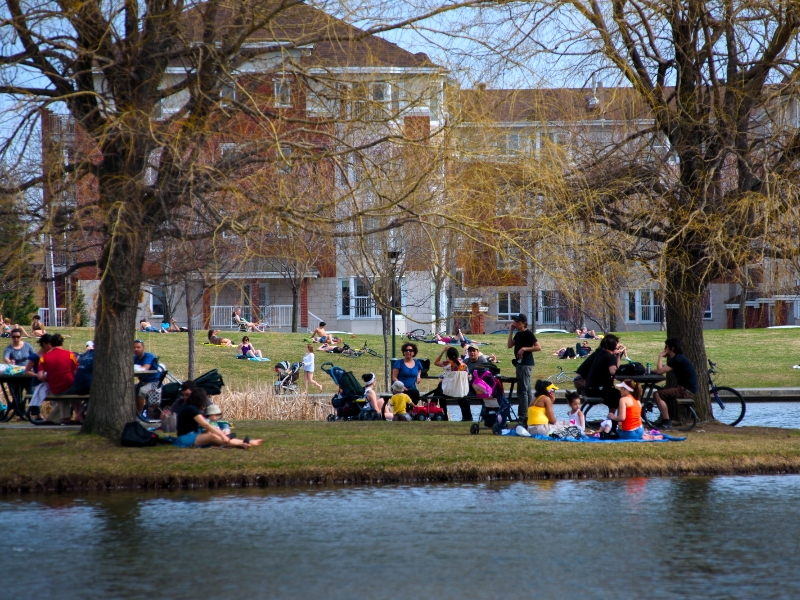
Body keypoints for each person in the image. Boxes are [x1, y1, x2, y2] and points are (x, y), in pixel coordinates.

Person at [174, 387, 261, 449]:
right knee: (212, 436)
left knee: (215, 435)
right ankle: (242, 444)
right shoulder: (191, 409)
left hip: (191, 435)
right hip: (185, 438)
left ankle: (245, 443)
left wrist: (221, 434)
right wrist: (223, 435)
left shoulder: (188, 406)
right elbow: (206, 425)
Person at [652, 337, 699, 431]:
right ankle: (664, 419)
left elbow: (660, 371)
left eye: (666, 347)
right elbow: (661, 370)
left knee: (657, 394)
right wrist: (649, 371)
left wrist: (660, 356)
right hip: (685, 388)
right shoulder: (678, 358)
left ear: (672, 348)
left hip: (686, 390)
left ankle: (666, 422)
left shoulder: (677, 359)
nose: (664, 349)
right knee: (663, 392)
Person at [32, 333, 79, 424]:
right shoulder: (70, 355)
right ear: (62, 343)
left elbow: (40, 376)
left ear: (51, 344)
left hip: (54, 388)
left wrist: (48, 379)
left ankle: (62, 419)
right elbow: (75, 373)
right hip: (69, 385)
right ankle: (79, 415)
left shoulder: (43, 358)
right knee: (77, 391)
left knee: (64, 396)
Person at [584, 334, 623, 433]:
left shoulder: (602, 354)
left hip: (589, 388)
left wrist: (617, 356)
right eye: (617, 343)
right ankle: (612, 419)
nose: (618, 345)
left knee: (614, 393)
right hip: (597, 389)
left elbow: (614, 367)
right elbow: (613, 371)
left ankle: (611, 419)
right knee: (617, 395)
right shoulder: (609, 356)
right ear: (613, 345)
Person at [507, 313, 541, 424]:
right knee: (527, 390)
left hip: (525, 364)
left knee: (522, 391)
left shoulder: (528, 334)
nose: (516, 324)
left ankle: (523, 416)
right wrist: (511, 331)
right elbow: (509, 345)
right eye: (515, 322)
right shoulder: (518, 334)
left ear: (524, 323)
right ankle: (529, 414)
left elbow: (538, 347)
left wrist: (524, 349)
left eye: (518, 322)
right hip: (520, 364)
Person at [434, 346, 470, 420]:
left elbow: (436, 362)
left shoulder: (448, 363)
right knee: (440, 387)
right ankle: (467, 417)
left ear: (448, 356)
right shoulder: (464, 365)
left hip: (449, 392)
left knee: (439, 390)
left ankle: (444, 416)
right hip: (461, 391)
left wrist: (443, 351)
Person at [134, 339, 160, 414]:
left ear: (143, 348)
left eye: (138, 347)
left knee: (141, 392)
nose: (136, 349)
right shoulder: (135, 358)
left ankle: (138, 415)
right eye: (134, 347)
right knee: (128, 390)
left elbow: (145, 368)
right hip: (143, 382)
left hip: (154, 382)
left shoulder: (148, 356)